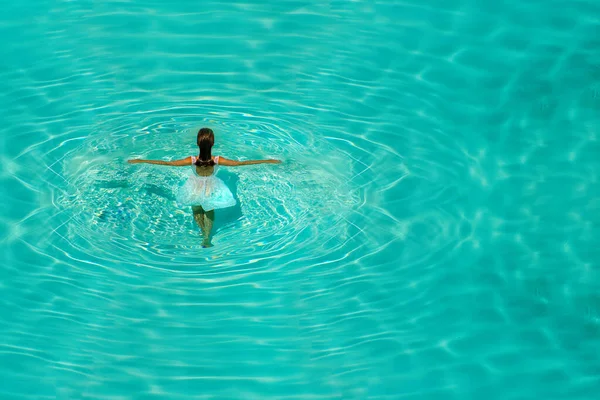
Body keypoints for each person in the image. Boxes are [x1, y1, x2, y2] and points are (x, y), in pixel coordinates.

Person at [127, 127, 281, 247]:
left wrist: (141, 161)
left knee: (196, 209)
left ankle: (202, 233)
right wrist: (267, 160)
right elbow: (240, 163)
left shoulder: (192, 160)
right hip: (211, 187)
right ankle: (207, 236)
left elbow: (169, 163)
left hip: (193, 186)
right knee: (209, 210)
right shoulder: (217, 160)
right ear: (213, 144)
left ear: (197, 144)